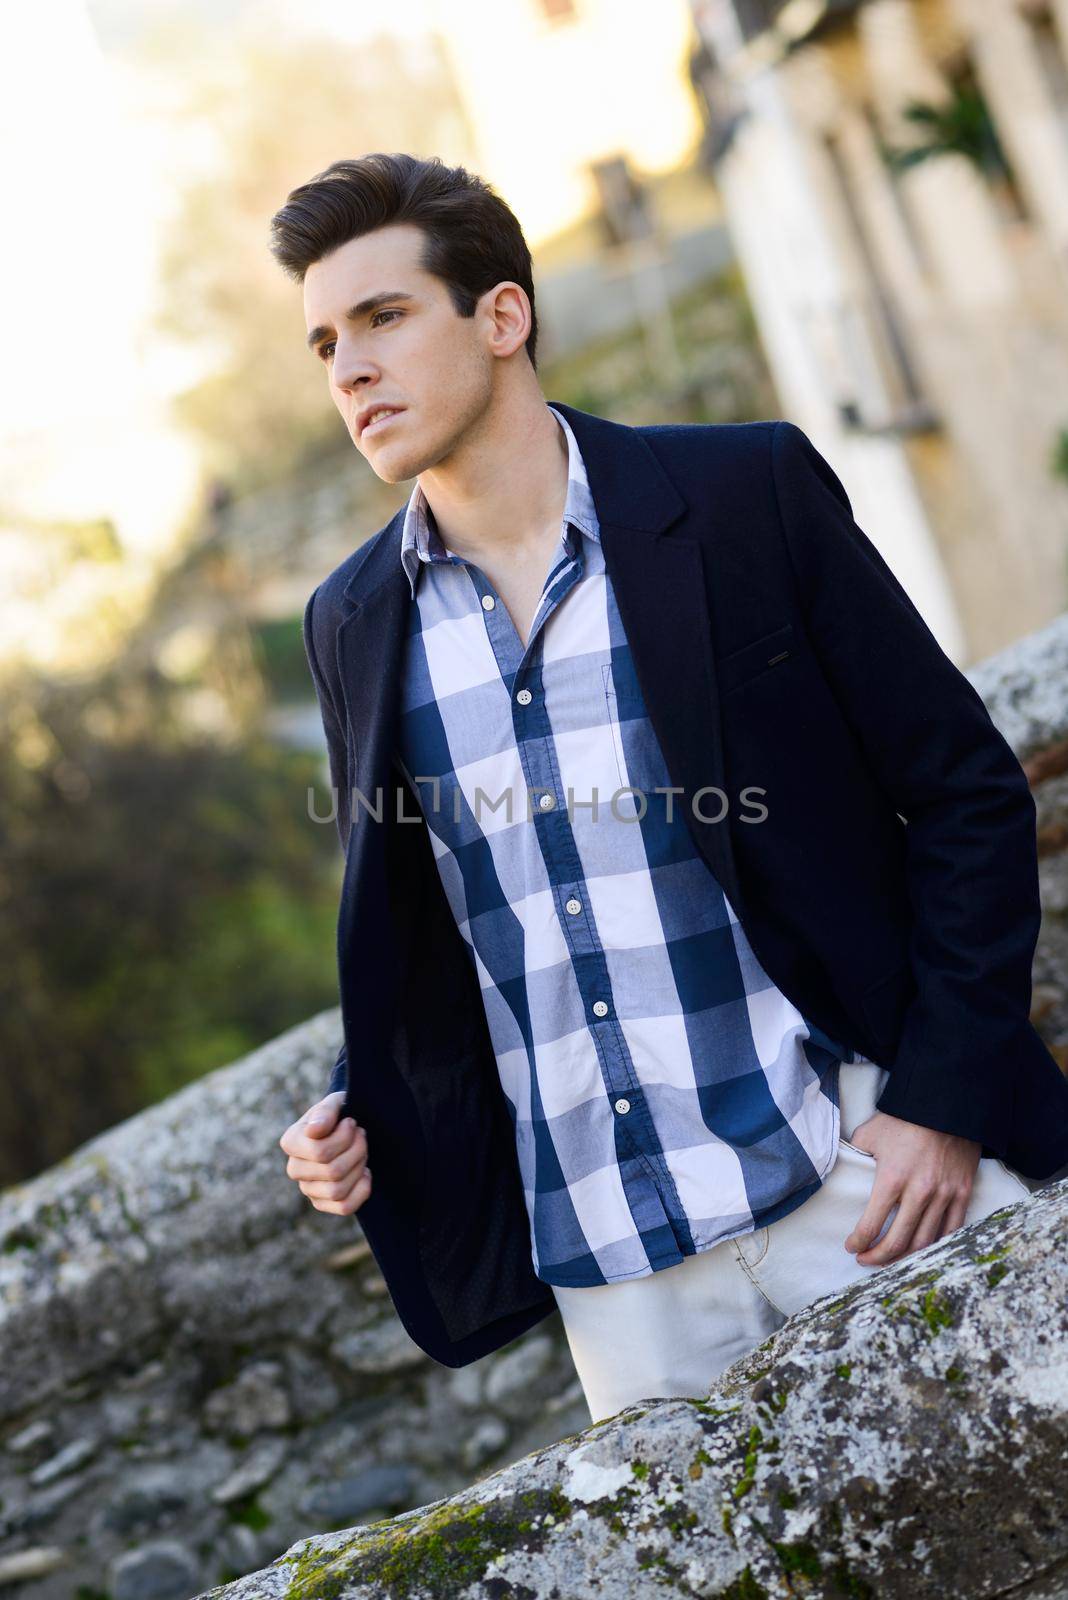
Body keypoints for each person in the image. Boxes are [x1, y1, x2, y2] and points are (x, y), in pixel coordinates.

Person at [271, 152, 1068, 1423]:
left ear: (502, 316)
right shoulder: (352, 621)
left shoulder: (741, 492)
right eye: (324, 343)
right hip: (620, 1288)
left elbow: (966, 791)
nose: (349, 371)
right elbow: (455, 925)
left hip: (861, 1176)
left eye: (383, 318)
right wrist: (356, 1106)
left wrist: (941, 1101)